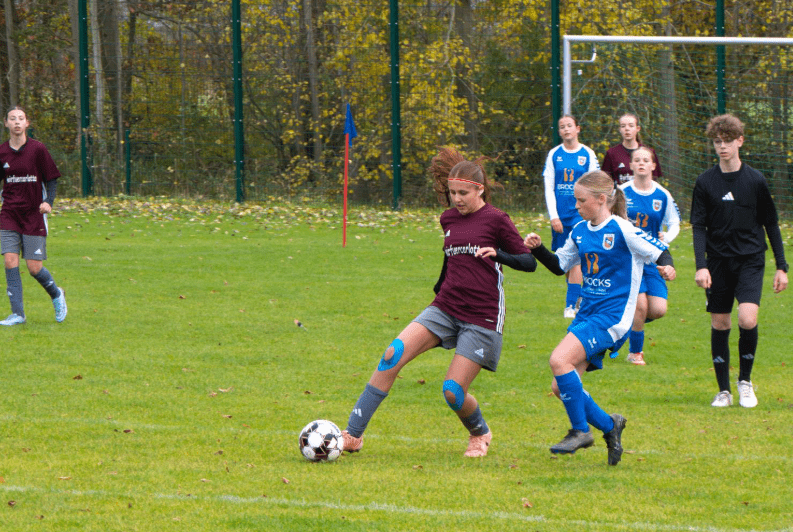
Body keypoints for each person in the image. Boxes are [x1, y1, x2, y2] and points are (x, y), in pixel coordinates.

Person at [341, 147, 538, 458]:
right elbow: (452, 258)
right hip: (445, 307)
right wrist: (440, 286)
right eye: (452, 193)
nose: (456, 199)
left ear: (479, 190)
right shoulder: (448, 218)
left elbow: (528, 263)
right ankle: (352, 435)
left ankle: (480, 433)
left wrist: (497, 254)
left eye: (463, 193)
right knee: (392, 354)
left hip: (482, 317)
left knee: (453, 392)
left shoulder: (497, 220)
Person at [525, 170, 675, 465]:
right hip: (587, 313)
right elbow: (559, 266)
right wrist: (539, 249)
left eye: (581, 200)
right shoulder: (580, 230)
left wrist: (667, 267)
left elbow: (659, 250)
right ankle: (610, 425)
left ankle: (580, 431)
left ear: (601, 199)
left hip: (613, 318)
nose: (576, 206)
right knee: (561, 386)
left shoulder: (622, 229)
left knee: (558, 360)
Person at [690, 114, 788, 408]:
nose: (722, 147)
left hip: (750, 260)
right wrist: (701, 265)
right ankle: (723, 390)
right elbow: (698, 226)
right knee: (720, 323)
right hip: (718, 262)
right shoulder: (705, 181)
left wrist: (782, 266)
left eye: (728, 142)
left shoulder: (755, 180)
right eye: (717, 142)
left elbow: (771, 224)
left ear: (739, 142)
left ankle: (745, 382)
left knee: (747, 318)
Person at [0, 106, 67, 326]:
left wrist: (48, 202)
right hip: (9, 213)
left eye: (21, 118)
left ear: (27, 123)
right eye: (13, 119)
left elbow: (52, 178)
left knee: (33, 267)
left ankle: (57, 293)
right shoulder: (2, 152)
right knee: (10, 262)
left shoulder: (38, 149)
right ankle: (17, 314)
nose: (17, 122)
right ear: (6, 123)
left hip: (33, 214)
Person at [619, 146, 681, 365]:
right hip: (629, 258)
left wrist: (666, 239)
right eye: (638, 160)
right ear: (632, 165)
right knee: (641, 305)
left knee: (658, 309)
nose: (642, 163)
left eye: (646, 160)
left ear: (653, 166)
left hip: (653, 258)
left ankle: (627, 321)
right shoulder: (622, 192)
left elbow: (674, 222)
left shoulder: (662, 194)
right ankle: (635, 353)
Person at [543, 115, 600, 318]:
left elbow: (594, 184)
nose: (566, 129)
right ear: (559, 132)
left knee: (575, 259)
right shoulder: (554, 155)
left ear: (577, 129)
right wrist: (554, 216)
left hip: (580, 216)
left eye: (569, 126)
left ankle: (570, 306)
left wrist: (592, 212)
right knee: (565, 261)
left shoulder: (588, 154)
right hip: (561, 217)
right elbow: (549, 187)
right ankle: (580, 299)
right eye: (562, 127)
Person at [602, 113, 663, 185]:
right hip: (621, 195)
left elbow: (654, 179)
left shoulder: (649, 152)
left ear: (638, 129)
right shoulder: (612, 153)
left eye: (631, 126)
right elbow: (605, 181)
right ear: (620, 129)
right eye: (623, 126)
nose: (627, 129)